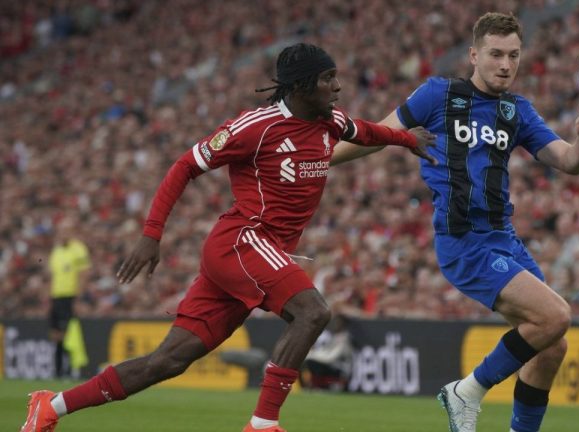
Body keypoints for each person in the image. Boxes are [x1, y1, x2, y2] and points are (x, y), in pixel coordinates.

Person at [21, 42, 436, 432]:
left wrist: (406, 139)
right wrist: (152, 234)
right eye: (329, 78)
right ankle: (262, 425)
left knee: (167, 361)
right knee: (313, 312)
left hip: (257, 255)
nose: (338, 86)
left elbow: (365, 132)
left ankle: (51, 406)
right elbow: (185, 165)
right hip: (241, 241)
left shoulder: (330, 121)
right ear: (301, 85)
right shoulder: (254, 126)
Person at [332, 12, 579, 432]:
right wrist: (318, 159)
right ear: (474, 55)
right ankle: (467, 391)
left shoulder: (518, 111)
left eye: (513, 55)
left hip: (504, 240)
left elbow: (567, 161)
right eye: (495, 54)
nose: (505, 64)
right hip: (464, 242)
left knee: (552, 345)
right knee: (555, 317)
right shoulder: (437, 95)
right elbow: (377, 135)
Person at [47, 218, 91, 379]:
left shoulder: (78, 249)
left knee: (69, 336)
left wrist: (78, 298)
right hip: (56, 297)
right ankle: (58, 372)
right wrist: (49, 298)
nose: (63, 234)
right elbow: (53, 276)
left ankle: (71, 371)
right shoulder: (56, 251)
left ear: (72, 232)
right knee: (55, 334)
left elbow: (84, 274)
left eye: (66, 231)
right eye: (61, 231)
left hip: (70, 298)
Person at [299, 312, 354, 391]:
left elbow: (331, 357)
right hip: (332, 364)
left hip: (340, 369)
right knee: (309, 362)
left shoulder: (344, 338)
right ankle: (311, 385)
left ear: (343, 324)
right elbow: (326, 352)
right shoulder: (335, 336)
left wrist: (311, 355)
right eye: (335, 321)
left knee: (313, 363)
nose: (336, 324)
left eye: (338, 322)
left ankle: (320, 386)